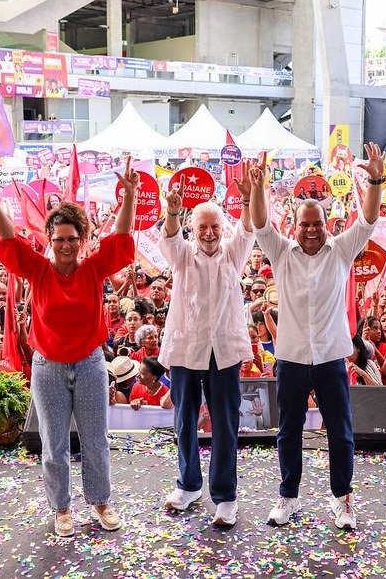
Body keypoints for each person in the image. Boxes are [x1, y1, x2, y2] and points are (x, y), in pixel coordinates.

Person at [0, 156, 139, 537]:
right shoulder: (38, 269)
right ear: (49, 241)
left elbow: (119, 239)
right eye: (58, 239)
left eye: (72, 239)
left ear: (82, 240)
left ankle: (100, 502)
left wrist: (129, 195)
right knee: (54, 444)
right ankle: (61, 508)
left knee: (96, 439)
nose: (65, 246)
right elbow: (8, 239)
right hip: (48, 367)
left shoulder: (94, 268)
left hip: (89, 365)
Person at [248, 142, 385, 531]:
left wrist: (374, 179)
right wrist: (257, 187)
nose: (311, 230)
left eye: (317, 224)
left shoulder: (341, 252)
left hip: (329, 357)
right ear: (295, 226)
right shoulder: (281, 253)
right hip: (290, 358)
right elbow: (260, 225)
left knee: (340, 433)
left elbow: (369, 221)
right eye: (304, 224)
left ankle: (343, 500)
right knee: (288, 432)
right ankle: (288, 498)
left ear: (328, 225)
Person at [158, 168, 254, 528]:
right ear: (193, 230)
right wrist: (172, 210)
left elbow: (247, 230)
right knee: (184, 419)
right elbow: (168, 238)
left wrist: (246, 199)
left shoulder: (234, 255)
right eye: (203, 228)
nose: (210, 234)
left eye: (215, 227)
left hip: (224, 351)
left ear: (222, 229)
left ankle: (225, 496)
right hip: (186, 349)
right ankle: (188, 485)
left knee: (226, 424)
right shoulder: (182, 256)